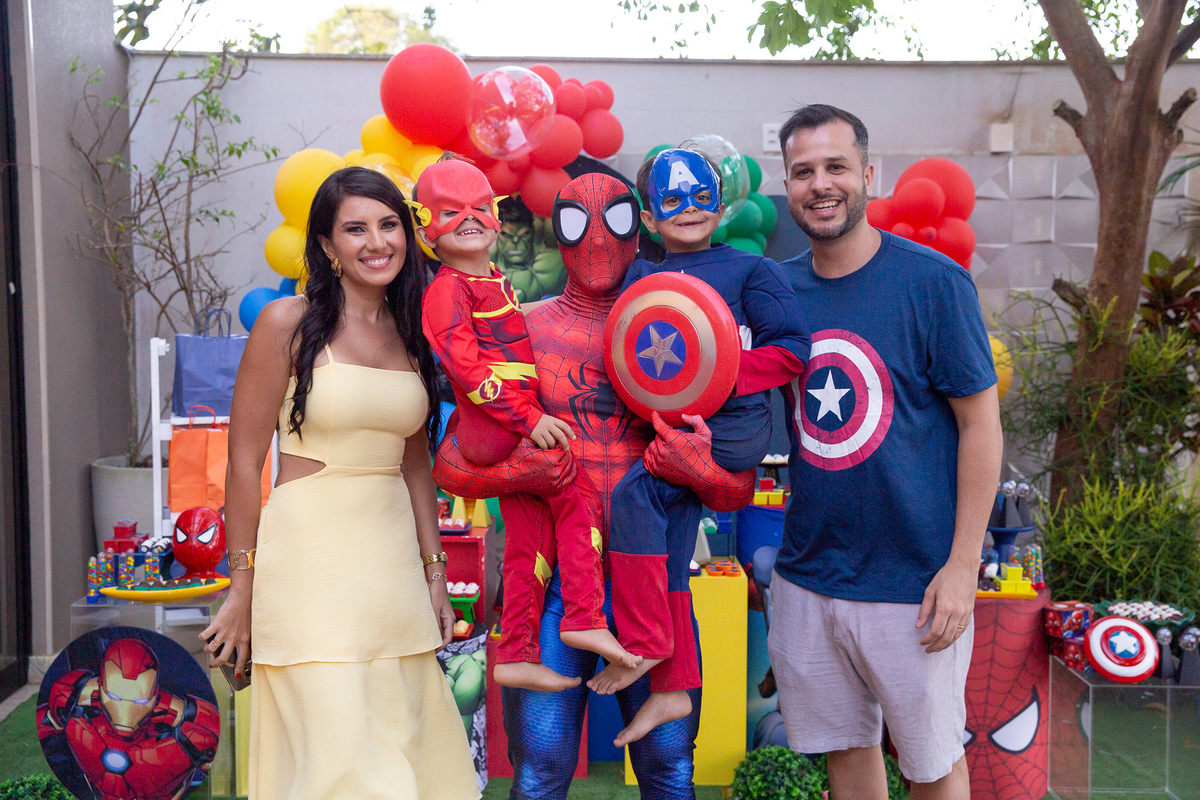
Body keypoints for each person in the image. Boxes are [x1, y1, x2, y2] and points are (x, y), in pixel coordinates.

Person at [433, 172, 755, 798]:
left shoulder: (686, 331)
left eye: (616, 220)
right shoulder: (518, 326)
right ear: (559, 233)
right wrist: (517, 471)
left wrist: (697, 469)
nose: (600, 240)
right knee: (541, 765)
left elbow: (735, 490)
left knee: (669, 763)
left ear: (641, 229)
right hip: (552, 585)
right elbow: (450, 462)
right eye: (580, 222)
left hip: (655, 584)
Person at [200, 166, 479, 800]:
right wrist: (241, 586)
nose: (377, 242)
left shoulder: (413, 333)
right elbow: (245, 462)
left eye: (389, 225)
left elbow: (414, 466)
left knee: (409, 762)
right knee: (339, 772)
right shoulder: (286, 323)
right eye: (355, 228)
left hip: (391, 579)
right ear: (328, 246)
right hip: (308, 569)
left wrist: (435, 573)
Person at [768, 104, 1002, 800]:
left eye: (836, 166)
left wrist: (964, 567)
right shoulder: (774, 290)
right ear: (788, 187)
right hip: (809, 574)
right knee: (845, 752)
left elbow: (982, 426)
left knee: (931, 766)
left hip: (915, 585)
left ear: (869, 174)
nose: (821, 184)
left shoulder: (933, 283)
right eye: (803, 171)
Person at [590, 147, 810, 747]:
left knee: (634, 502)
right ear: (649, 216)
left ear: (722, 203)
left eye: (699, 196)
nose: (687, 209)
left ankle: (642, 647)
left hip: (731, 427)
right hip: (665, 429)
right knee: (669, 557)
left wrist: (718, 375)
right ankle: (672, 687)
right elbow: (623, 353)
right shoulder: (641, 277)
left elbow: (792, 349)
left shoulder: (751, 271)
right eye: (670, 200)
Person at [415, 158, 639, 692]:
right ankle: (585, 617)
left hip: (509, 420)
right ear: (427, 226)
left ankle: (514, 652)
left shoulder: (490, 279)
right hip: (499, 426)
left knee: (528, 542)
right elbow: (468, 370)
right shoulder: (448, 289)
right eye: (452, 212)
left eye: (478, 208)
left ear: (495, 216)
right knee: (572, 489)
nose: (469, 220)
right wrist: (530, 418)